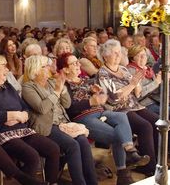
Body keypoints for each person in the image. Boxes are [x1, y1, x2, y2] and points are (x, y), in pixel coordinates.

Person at [57, 52, 150, 184]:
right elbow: (70, 109)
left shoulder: (85, 80)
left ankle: (129, 151)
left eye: (78, 61)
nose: (78, 64)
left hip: (100, 112)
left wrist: (96, 92)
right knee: (119, 135)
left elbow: (104, 97)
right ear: (65, 69)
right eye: (74, 63)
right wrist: (91, 101)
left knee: (121, 116)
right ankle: (124, 171)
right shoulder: (64, 84)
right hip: (83, 117)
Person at [0, 54, 60, 184]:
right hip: (2, 134)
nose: (7, 70)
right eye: (4, 66)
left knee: (53, 149)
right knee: (32, 157)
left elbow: (25, 108)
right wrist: (14, 115)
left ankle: (51, 183)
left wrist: (20, 116)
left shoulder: (8, 87)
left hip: (22, 129)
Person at [22, 55, 97, 185]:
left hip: (63, 122)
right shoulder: (28, 87)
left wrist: (62, 91)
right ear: (36, 69)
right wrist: (57, 92)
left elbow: (67, 104)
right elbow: (42, 108)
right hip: (47, 126)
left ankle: (92, 183)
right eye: (46, 66)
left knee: (83, 141)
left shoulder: (52, 82)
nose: (50, 68)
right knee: (72, 145)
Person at [97, 39, 159, 176]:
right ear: (105, 56)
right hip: (118, 110)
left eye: (119, 53)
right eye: (115, 53)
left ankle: (155, 160)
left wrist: (136, 83)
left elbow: (137, 92)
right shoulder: (103, 73)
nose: (119, 55)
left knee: (157, 122)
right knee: (145, 126)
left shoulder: (124, 69)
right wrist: (131, 85)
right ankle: (150, 167)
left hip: (133, 105)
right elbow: (114, 98)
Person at [127, 45, 162, 115]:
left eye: (144, 55)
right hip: (144, 104)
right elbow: (139, 94)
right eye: (139, 55)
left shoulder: (147, 69)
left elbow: (155, 89)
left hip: (156, 100)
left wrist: (163, 80)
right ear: (132, 58)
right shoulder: (131, 70)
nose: (143, 57)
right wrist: (156, 82)